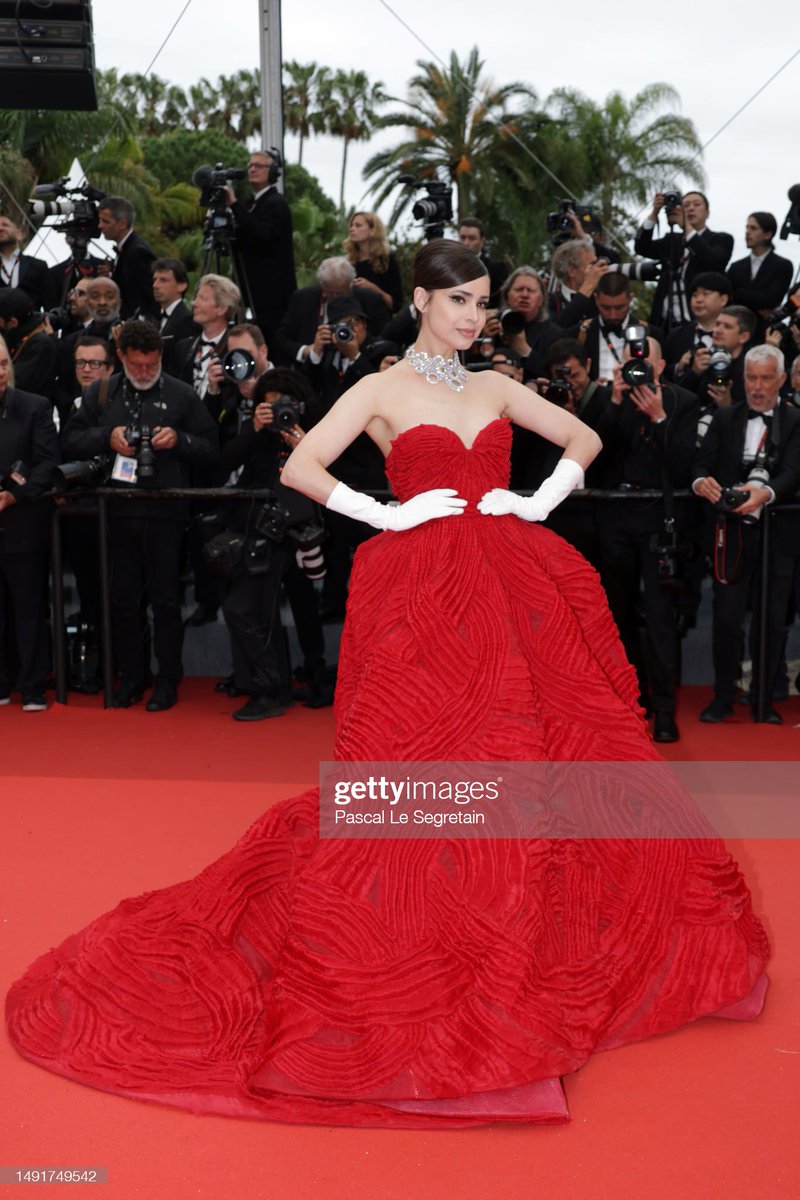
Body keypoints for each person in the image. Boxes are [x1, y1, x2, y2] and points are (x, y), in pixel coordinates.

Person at [6, 241, 769, 1128]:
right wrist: (386, 512)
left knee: (548, 752)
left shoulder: (490, 384)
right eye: (461, 303)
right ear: (421, 301)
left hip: (514, 583)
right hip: (421, 594)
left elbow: (587, 435)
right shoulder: (378, 388)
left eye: (484, 302)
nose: (475, 316)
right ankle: (438, 947)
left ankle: (528, 939)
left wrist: (538, 499)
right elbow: (300, 468)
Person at [61, 320, 219, 712]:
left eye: (151, 365)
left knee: (165, 601)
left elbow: (212, 447)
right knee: (122, 600)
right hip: (116, 511)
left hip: (167, 512)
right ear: (121, 359)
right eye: (136, 366)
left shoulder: (182, 395)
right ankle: (132, 676)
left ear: (161, 357)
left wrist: (178, 441)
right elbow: (69, 441)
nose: (145, 372)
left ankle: (168, 679)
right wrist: (107, 436)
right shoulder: (100, 393)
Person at [692, 344, 800, 725]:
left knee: (772, 619)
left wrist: (764, 494)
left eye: (766, 378)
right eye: (751, 378)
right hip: (732, 535)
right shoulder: (725, 418)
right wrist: (701, 483)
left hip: (780, 537)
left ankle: (762, 697)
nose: (757, 387)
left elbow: (792, 473)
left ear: (782, 380)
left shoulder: (795, 421)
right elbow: (701, 465)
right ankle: (722, 696)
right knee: (726, 616)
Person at [0, 334, 60, 711]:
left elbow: (47, 464)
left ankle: (34, 684)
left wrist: (12, 496)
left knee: (28, 607)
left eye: (3, 363)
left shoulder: (34, 406)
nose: (0, 372)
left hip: (23, 523)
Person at [224, 148, 297, 341]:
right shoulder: (254, 203)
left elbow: (260, 234)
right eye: (250, 165)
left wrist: (234, 204)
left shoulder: (275, 203)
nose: (252, 169)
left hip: (271, 296)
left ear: (272, 172)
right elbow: (245, 240)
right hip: (254, 291)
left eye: (259, 165)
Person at [634, 191, 733, 330]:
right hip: (664, 321)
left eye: (697, 204)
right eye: (686, 205)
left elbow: (713, 261)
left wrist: (687, 228)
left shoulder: (721, 239)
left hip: (698, 321)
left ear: (707, 213)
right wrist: (654, 213)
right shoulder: (672, 240)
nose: (691, 208)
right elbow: (641, 248)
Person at [97, 197, 156, 320]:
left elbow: (149, 295)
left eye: (105, 221)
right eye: (100, 220)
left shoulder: (138, 252)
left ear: (122, 223)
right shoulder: (127, 248)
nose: (100, 226)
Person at [343, 211, 403, 314]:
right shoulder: (347, 263)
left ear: (372, 230)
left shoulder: (387, 261)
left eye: (358, 225)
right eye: (351, 225)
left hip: (379, 323)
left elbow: (395, 305)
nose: (352, 229)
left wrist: (372, 288)